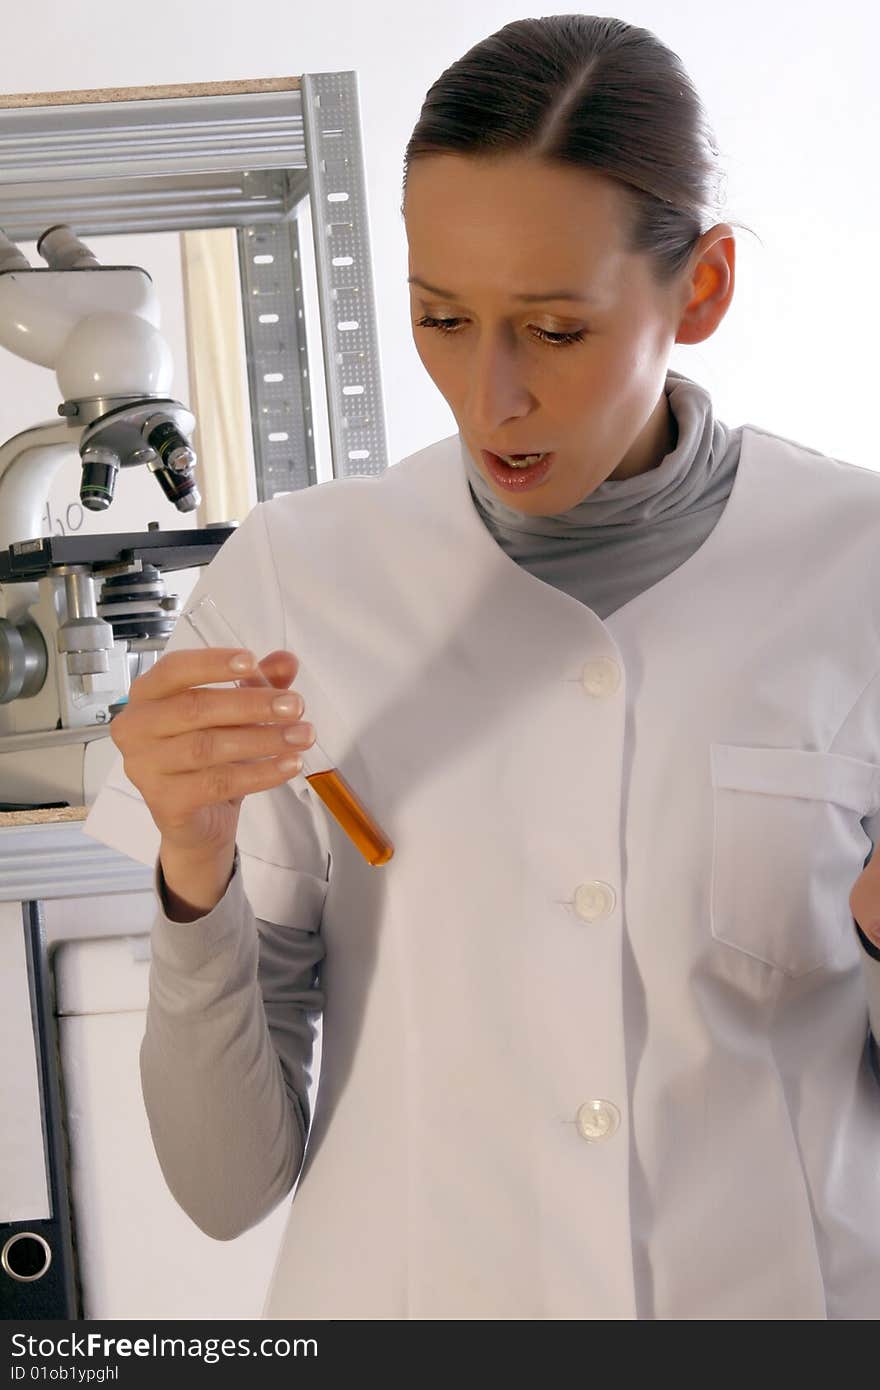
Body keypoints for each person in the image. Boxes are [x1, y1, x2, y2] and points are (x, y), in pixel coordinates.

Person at [84, 14, 880, 1319]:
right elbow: (225, 1186)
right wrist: (193, 857)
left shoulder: (859, 572)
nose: (488, 393)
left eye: (556, 331)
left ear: (705, 287)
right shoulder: (297, 581)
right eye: (441, 317)